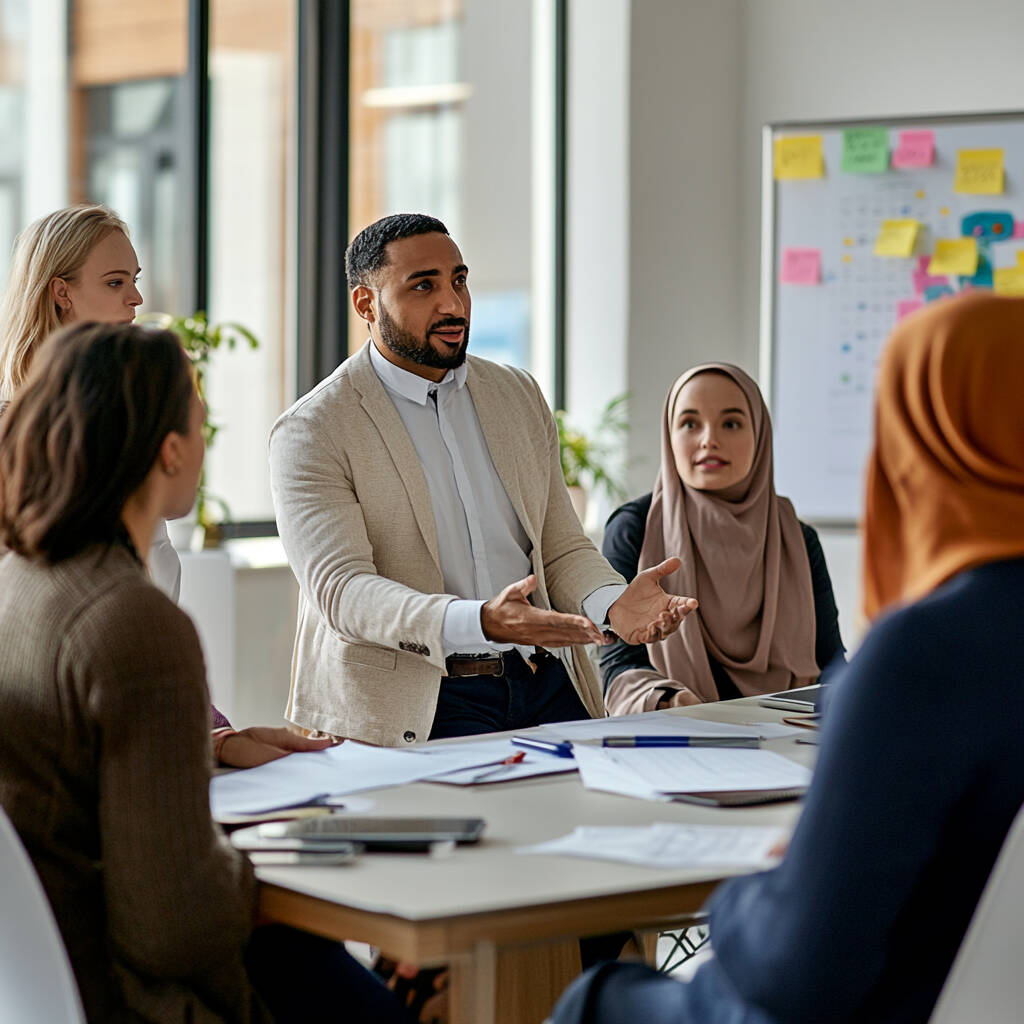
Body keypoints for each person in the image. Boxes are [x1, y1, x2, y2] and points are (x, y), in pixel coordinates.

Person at [551, 290, 1024, 1023]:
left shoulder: (922, 654)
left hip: (889, 994)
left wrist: (749, 892)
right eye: (691, 422)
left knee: (598, 999)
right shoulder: (636, 529)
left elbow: (800, 975)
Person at [0, 321, 413, 1024]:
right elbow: (174, 927)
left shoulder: (20, 585)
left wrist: (212, 747)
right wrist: (267, 874)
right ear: (168, 451)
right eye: (198, 421)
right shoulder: (135, 622)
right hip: (137, 998)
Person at [270, 212, 697, 746]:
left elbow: (560, 547)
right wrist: (480, 622)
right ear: (366, 304)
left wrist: (612, 602)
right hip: (418, 704)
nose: (453, 304)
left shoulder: (516, 395)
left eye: (459, 280)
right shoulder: (314, 429)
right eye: (423, 285)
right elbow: (343, 593)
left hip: (546, 684)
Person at [0, 203, 323, 770]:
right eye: (115, 281)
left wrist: (214, 736)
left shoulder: (134, 422)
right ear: (61, 293)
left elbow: (128, 667)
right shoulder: (17, 443)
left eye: (135, 281)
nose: (136, 300)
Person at [601, 363, 843, 715]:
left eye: (730, 423)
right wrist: (671, 701)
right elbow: (615, 663)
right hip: (678, 734)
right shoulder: (634, 528)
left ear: (760, 436)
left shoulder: (798, 539)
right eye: (689, 423)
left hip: (788, 733)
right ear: (669, 436)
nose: (708, 440)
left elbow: (832, 663)